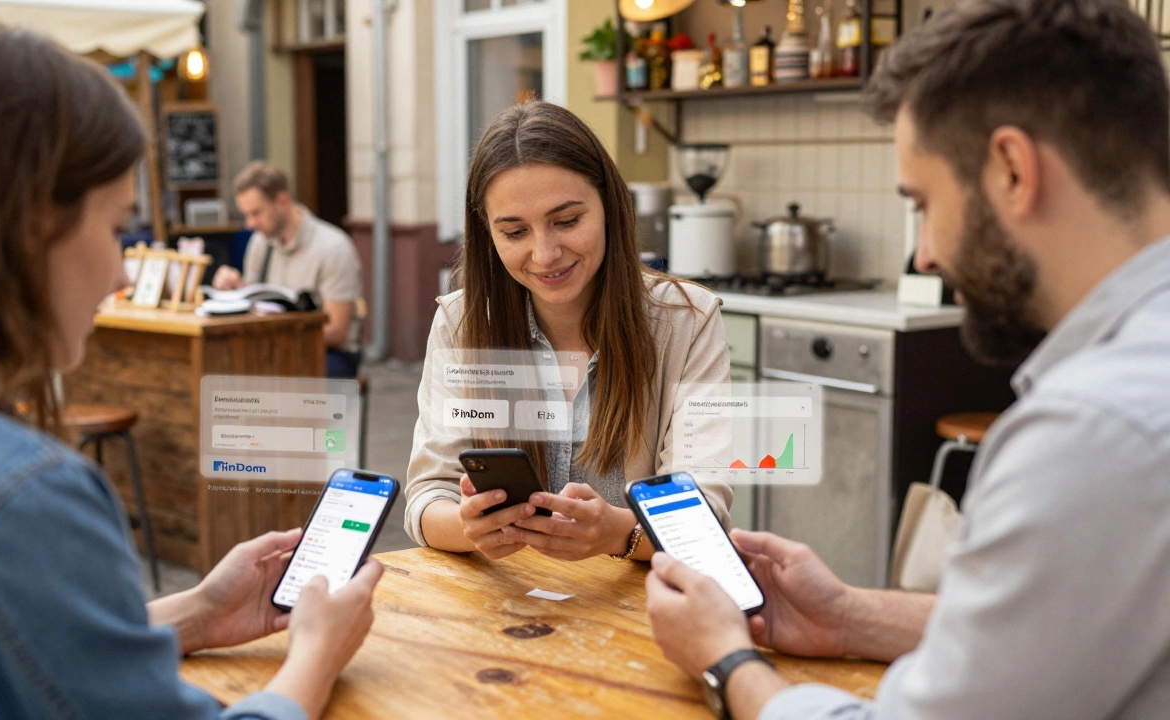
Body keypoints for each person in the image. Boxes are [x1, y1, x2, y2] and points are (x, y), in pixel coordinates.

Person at [645, 0, 1170, 717]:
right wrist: (851, 616)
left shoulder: (1092, 432)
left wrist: (726, 660)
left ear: (1013, 170)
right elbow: (1052, 633)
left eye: (923, 204)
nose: (925, 254)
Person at [0, 23, 381, 719]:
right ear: (30, 224)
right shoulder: (17, 501)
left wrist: (200, 612)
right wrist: (317, 654)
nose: (123, 274)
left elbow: (13, 643)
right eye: (119, 227)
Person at [404, 101, 734, 563]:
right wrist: (470, 525)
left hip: (641, 599)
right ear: (488, 235)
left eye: (567, 221)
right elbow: (427, 498)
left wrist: (619, 533)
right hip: (509, 598)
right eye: (515, 232)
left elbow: (703, 512)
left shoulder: (688, 321)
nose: (545, 254)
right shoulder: (462, 323)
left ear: (609, 207)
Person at [212, 162, 364, 378]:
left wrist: (275, 339)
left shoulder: (333, 247)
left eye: (256, 213)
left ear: (282, 201)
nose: (250, 223)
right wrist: (237, 290)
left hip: (329, 353)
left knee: (273, 379)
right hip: (275, 346)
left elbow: (336, 332)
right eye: (246, 215)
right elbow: (256, 304)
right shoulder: (260, 243)